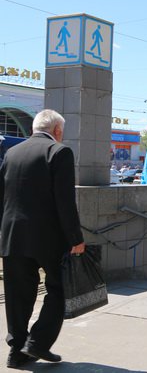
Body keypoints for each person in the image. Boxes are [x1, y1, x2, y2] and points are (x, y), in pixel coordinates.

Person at [0, 109, 85, 368]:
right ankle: (37, 343)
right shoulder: (59, 152)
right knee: (60, 290)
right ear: (57, 131)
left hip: (12, 236)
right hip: (49, 238)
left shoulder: (11, 153)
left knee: (17, 294)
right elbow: (65, 202)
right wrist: (76, 238)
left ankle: (17, 352)